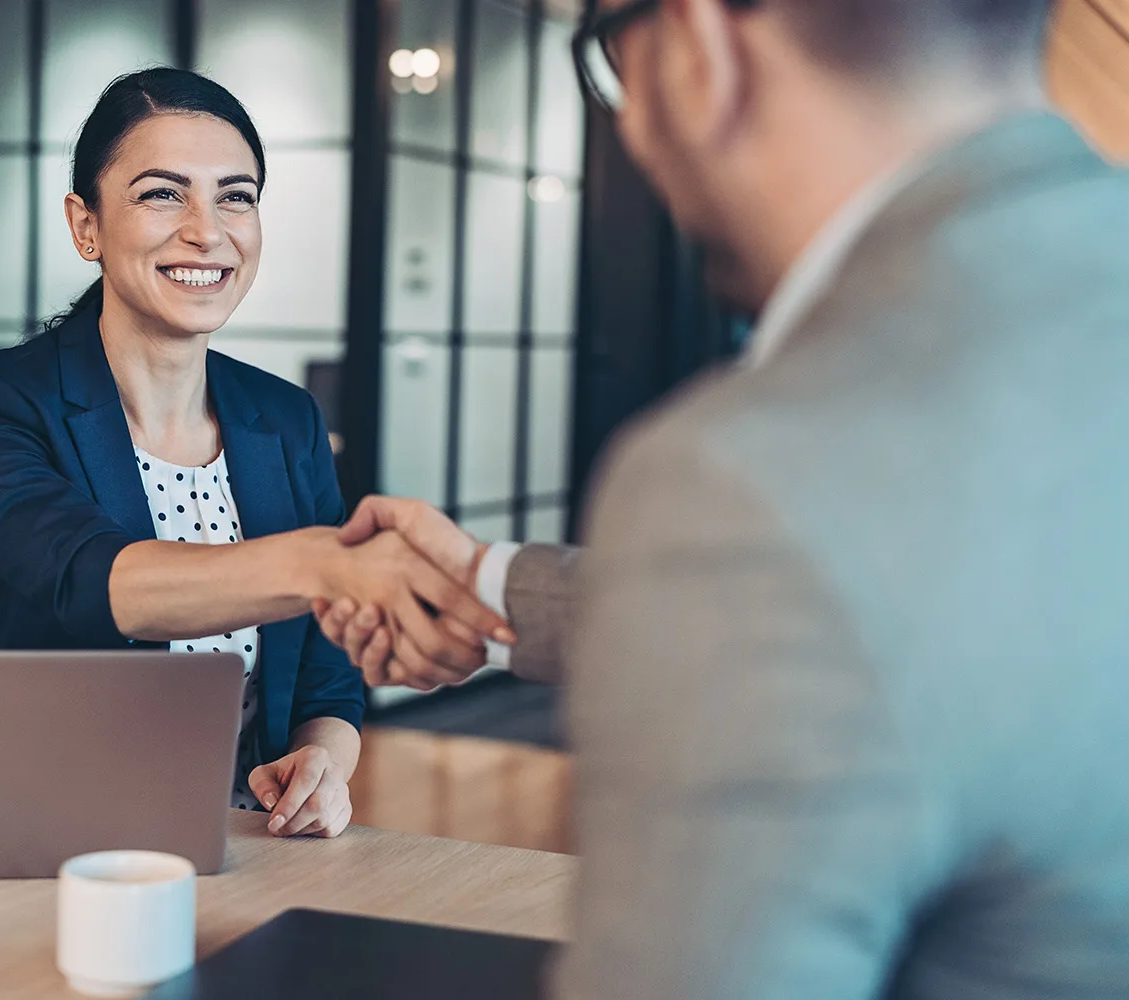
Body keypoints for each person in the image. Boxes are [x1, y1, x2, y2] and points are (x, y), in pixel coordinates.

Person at [318, 0, 1129, 996]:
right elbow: (973, 598)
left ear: (700, 48)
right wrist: (483, 586)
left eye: (612, 60)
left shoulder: (749, 479)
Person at [0, 69, 510, 840]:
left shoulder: (286, 417)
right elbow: (86, 578)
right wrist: (324, 563)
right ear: (86, 226)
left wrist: (322, 764)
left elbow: (327, 675)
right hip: (66, 841)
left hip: (253, 846)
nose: (208, 229)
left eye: (236, 195)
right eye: (162, 193)